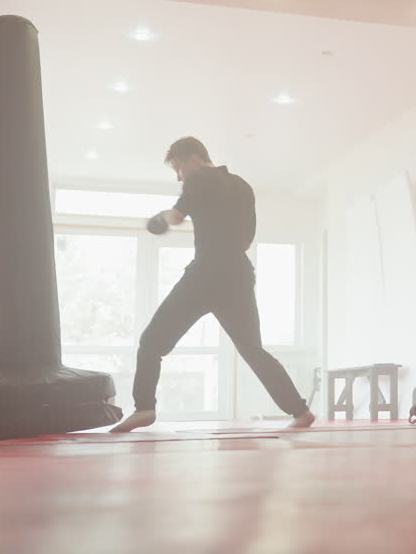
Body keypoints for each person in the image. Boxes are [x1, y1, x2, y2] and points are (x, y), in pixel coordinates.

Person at [112, 136, 315, 432]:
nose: (179, 176)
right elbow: (246, 242)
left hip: (204, 276)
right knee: (252, 349)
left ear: (191, 158)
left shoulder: (197, 180)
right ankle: (300, 410)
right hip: (238, 275)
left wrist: (159, 219)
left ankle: (144, 408)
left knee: (151, 342)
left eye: (178, 168)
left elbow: (177, 216)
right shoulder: (242, 186)